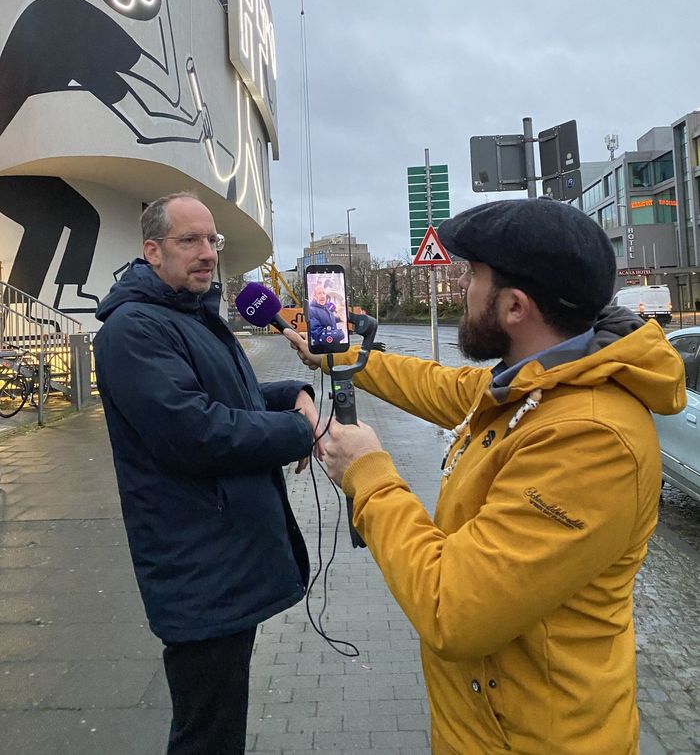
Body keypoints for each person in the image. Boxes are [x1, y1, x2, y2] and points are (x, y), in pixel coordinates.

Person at [286, 197, 686, 755]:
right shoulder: (542, 384)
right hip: (485, 728)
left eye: (473, 275)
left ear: (515, 307)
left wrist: (368, 474)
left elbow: (454, 609)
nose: (463, 285)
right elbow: (444, 389)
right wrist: (343, 356)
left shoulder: (591, 439)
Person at [93, 192, 319, 755]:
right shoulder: (133, 331)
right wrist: (298, 433)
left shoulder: (188, 314)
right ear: (152, 251)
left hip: (223, 561)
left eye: (211, 240)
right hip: (198, 567)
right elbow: (194, 431)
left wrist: (293, 393)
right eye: (188, 241)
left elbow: (231, 395)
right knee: (207, 736)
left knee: (219, 725)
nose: (207, 254)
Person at [307, 281, 345, 347]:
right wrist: (339, 334)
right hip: (323, 349)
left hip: (334, 346)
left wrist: (339, 319)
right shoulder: (311, 311)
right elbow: (317, 334)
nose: (322, 296)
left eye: (324, 293)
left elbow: (326, 319)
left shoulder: (327, 307)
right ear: (314, 296)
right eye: (319, 293)